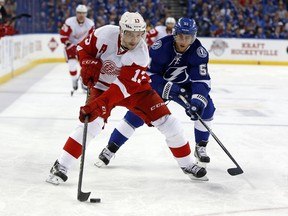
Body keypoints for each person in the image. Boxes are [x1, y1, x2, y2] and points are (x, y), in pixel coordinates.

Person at [46, 12, 207, 185]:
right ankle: (61, 165)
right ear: (121, 30)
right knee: (92, 123)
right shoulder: (104, 33)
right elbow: (82, 49)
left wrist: (99, 104)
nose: (134, 39)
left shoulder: (141, 55)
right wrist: (86, 63)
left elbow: (121, 89)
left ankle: (188, 164)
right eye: (130, 33)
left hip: (135, 90)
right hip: (102, 85)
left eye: (138, 34)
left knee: (169, 123)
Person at [95, 17, 215, 170]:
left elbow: (202, 81)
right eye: (180, 36)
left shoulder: (199, 52)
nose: (183, 41)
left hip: (185, 86)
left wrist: (197, 101)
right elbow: (148, 75)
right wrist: (167, 87)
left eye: (188, 37)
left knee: (207, 108)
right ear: (174, 34)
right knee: (136, 115)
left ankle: (201, 146)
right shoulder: (160, 47)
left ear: (194, 37)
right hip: (159, 86)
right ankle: (111, 148)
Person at [59, 4, 94, 94]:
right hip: (71, 46)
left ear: (86, 14)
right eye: (79, 13)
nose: (81, 15)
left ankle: (84, 83)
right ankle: (74, 80)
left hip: (83, 46)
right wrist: (68, 43)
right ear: (76, 13)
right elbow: (63, 36)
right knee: (72, 64)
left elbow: (92, 37)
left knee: (85, 66)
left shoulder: (90, 24)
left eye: (83, 13)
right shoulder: (69, 22)